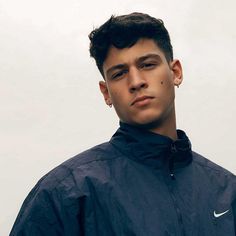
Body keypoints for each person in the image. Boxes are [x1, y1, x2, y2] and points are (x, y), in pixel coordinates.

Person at [10, 12, 236, 236]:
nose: (136, 82)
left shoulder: (226, 190)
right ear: (106, 92)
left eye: (147, 64)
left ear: (175, 72)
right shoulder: (66, 193)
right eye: (119, 74)